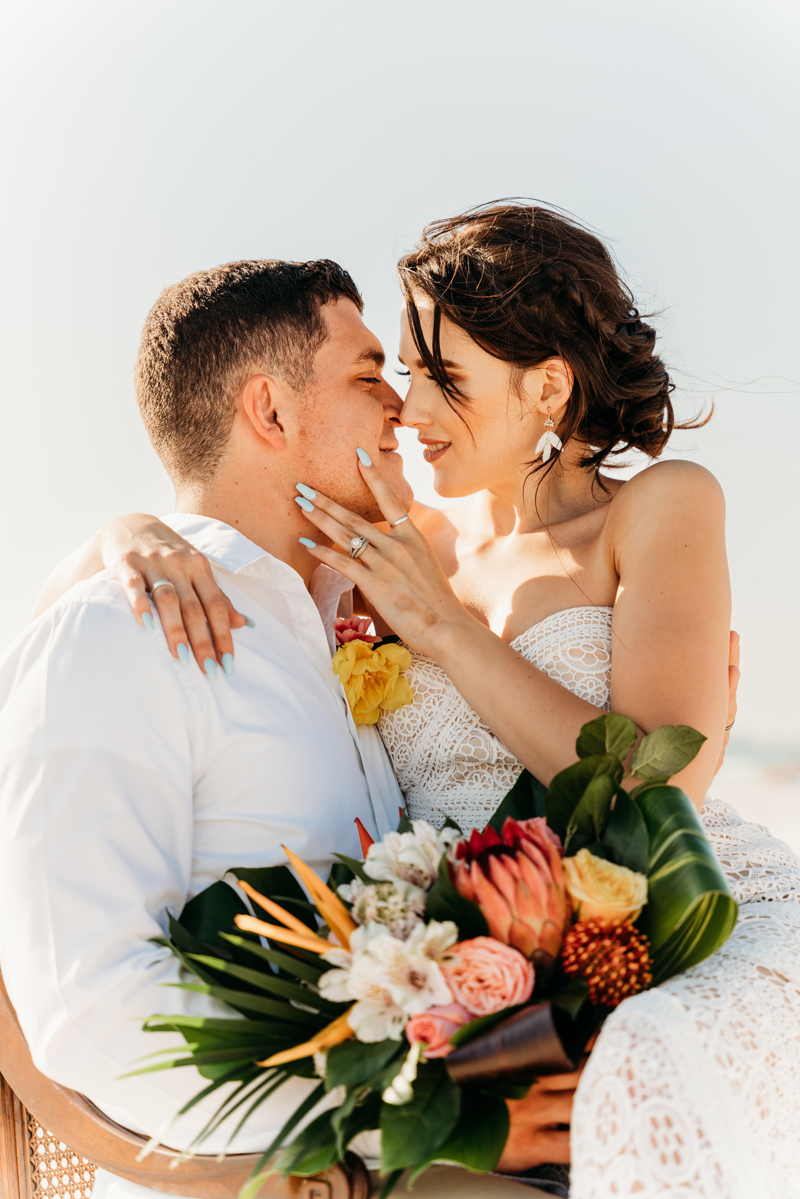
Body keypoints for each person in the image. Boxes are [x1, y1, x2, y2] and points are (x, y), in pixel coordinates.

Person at [58, 203, 800, 1198]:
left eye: (437, 374)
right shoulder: (400, 549)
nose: (407, 407)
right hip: (506, 989)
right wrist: (129, 530)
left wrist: (445, 629)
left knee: (639, 1094)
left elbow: (651, 782)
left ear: (544, 384)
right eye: (401, 372)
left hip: (689, 929)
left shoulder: (654, 508)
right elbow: (204, 547)